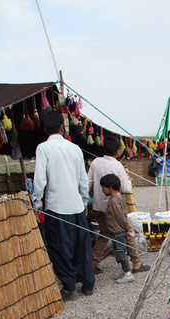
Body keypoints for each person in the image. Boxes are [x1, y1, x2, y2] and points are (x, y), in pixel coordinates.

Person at [32, 110, 95, 301]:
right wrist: (84, 201)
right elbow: (83, 179)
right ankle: (87, 282)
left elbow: (40, 180)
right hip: (75, 205)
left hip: (56, 207)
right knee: (81, 246)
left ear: (44, 128)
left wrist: (37, 202)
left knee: (59, 247)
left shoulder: (43, 148)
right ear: (62, 126)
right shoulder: (74, 148)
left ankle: (68, 286)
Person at [87, 136, 149, 275]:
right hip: (114, 208)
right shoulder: (117, 165)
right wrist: (129, 180)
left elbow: (88, 183)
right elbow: (125, 188)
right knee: (127, 233)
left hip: (98, 207)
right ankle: (136, 262)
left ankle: (91, 263)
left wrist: (86, 200)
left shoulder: (96, 163)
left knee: (104, 235)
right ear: (118, 151)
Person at [99, 174, 137, 285]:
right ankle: (125, 272)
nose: (102, 190)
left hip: (118, 232)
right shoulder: (118, 198)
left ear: (110, 187)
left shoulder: (114, 201)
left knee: (121, 253)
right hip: (116, 231)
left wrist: (126, 226)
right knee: (119, 251)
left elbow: (120, 216)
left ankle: (127, 273)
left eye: (103, 188)